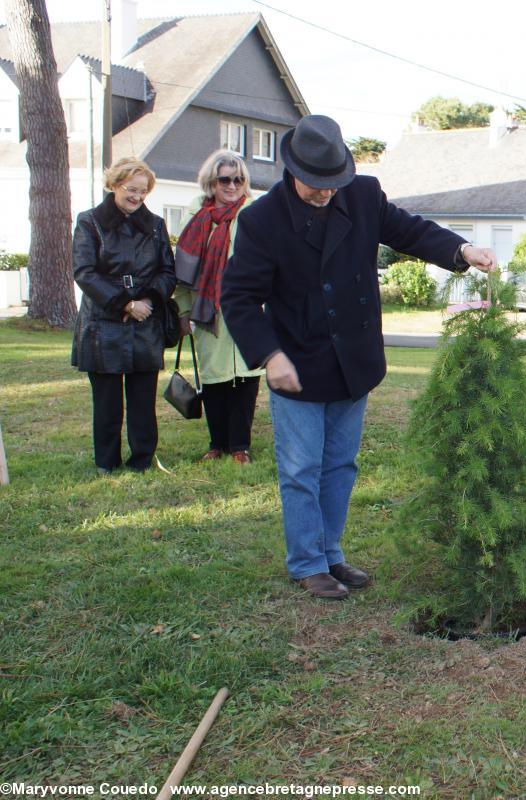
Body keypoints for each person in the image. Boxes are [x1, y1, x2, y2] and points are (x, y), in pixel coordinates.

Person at [221, 115, 496, 600]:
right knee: (302, 468)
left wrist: (462, 248)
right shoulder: (261, 220)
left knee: (341, 464)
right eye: (318, 185)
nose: (327, 192)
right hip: (298, 362)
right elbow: (239, 298)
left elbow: (409, 231)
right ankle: (307, 563)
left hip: (354, 359)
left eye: (334, 183)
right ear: (292, 170)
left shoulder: (364, 195)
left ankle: (330, 554)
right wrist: (269, 355)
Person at [71, 158, 177, 473]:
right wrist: (124, 303)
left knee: (143, 400)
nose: (137, 197)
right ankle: (106, 461)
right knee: (106, 401)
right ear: (115, 184)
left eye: (143, 192)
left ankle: (142, 460)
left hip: (145, 322)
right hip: (102, 324)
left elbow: (167, 271)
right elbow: (84, 272)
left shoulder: (156, 225)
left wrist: (147, 300)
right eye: (132, 189)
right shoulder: (89, 221)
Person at [172, 149, 262, 464]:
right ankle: (217, 443)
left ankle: (240, 446)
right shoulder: (197, 216)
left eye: (239, 179)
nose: (232, 185)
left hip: (244, 306)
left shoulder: (253, 213)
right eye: (225, 179)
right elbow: (183, 268)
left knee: (245, 377)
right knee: (213, 379)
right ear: (212, 180)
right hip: (207, 308)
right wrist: (183, 309)